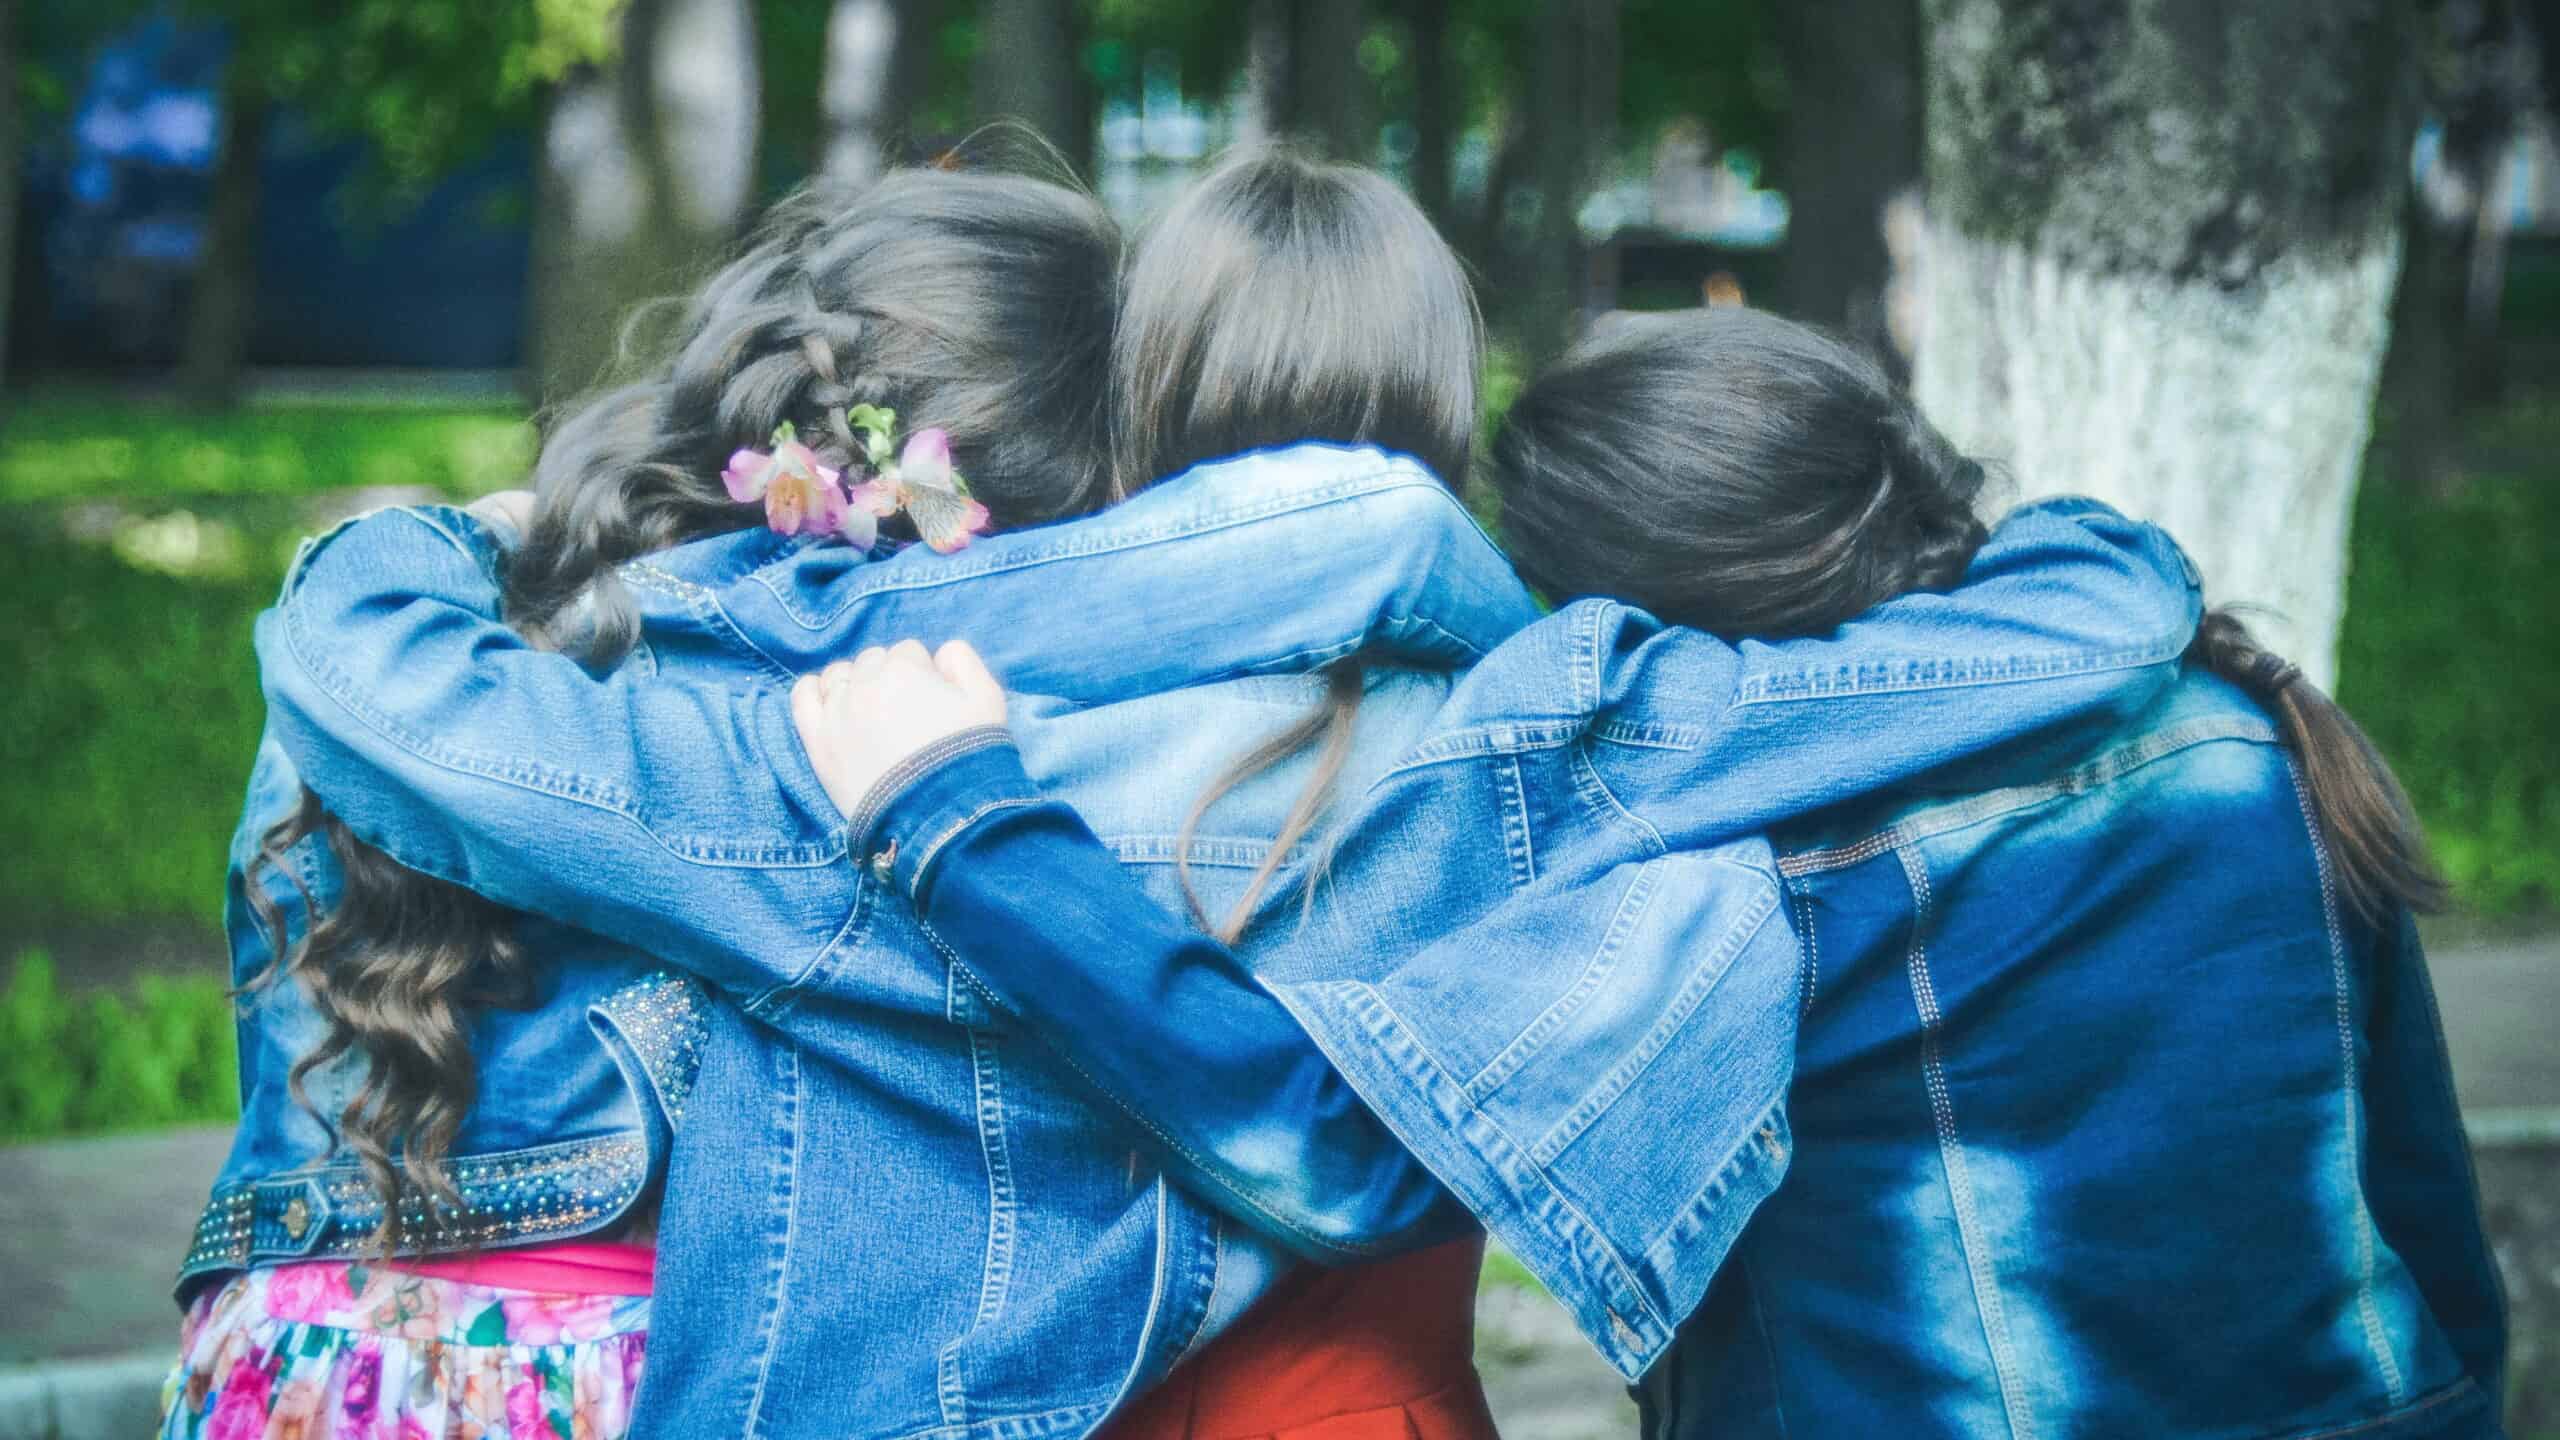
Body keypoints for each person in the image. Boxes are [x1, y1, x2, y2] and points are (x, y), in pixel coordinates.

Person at [248, 154, 2201, 1438]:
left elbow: (396, 705)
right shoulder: (1559, 709)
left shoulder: (855, 739)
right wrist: (2001, 532)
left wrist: (459, 534)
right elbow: (2095, 625)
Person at [785, 306, 2509, 1439]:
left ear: (1637, 615)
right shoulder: (2237, 715)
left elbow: (1327, 1143)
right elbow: (2417, 1201)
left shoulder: (1745, 864)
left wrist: (958, 817)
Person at [161, 162, 1127, 1440]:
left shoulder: (390, 635)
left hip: (287, 1369)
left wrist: (480, 528)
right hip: (608, 1384)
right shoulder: (860, 732)